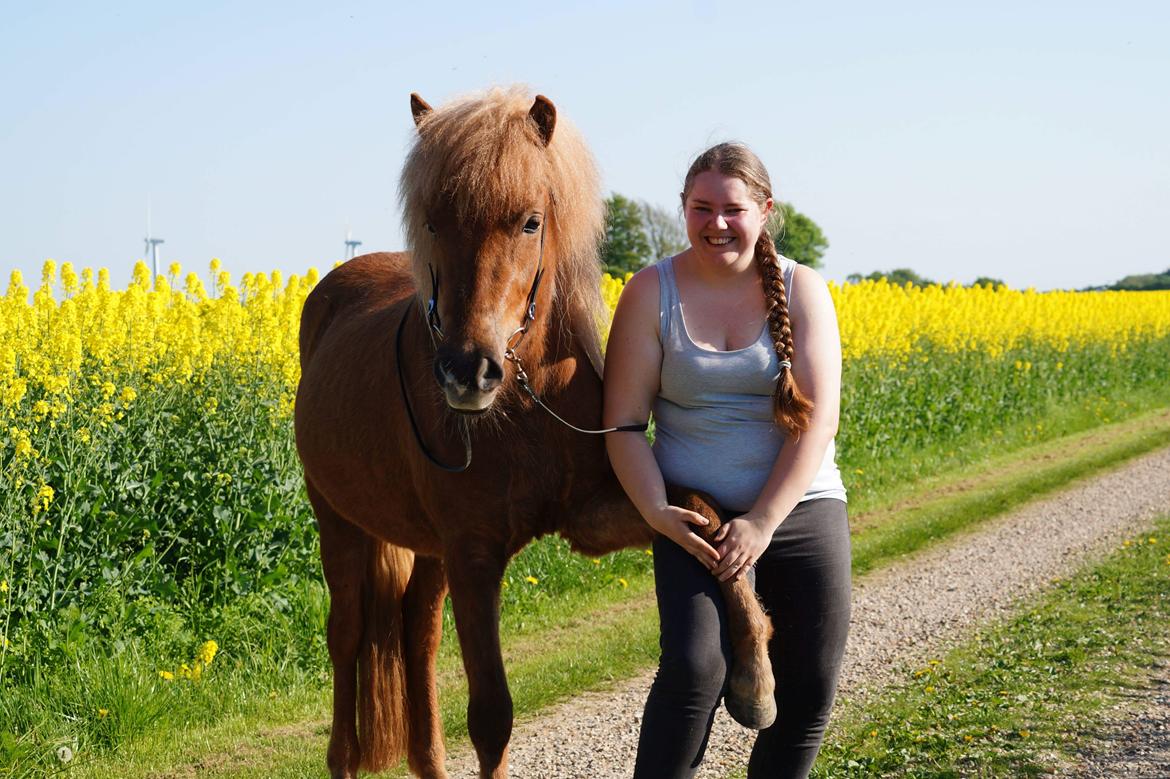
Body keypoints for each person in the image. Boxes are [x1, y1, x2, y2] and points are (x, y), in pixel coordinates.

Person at [603, 142, 851, 779]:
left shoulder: (803, 289)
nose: (716, 223)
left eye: (732, 210)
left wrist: (765, 521)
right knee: (694, 669)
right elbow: (625, 423)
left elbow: (818, 419)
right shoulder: (648, 292)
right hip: (693, 518)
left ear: (765, 211)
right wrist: (656, 512)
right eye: (700, 208)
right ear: (683, 210)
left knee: (809, 687)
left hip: (799, 507)